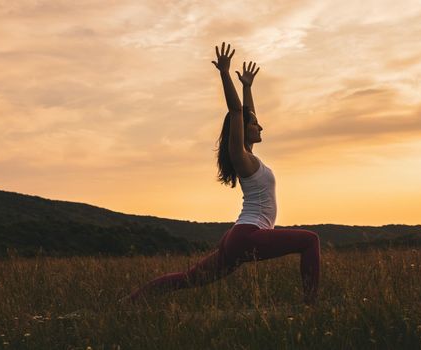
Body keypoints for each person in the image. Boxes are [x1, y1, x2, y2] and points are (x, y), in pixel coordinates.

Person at [121, 42, 320, 306]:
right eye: (255, 124)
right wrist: (225, 74)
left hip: (238, 237)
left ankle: (128, 304)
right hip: (248, 236)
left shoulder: (250, 155)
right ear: (243, 130)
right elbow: (237, 112)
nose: (260, 126)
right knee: (310, 241)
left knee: (188, 279)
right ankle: (311, 305)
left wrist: (247, 87)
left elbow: (246, 114)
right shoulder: (242, 157)